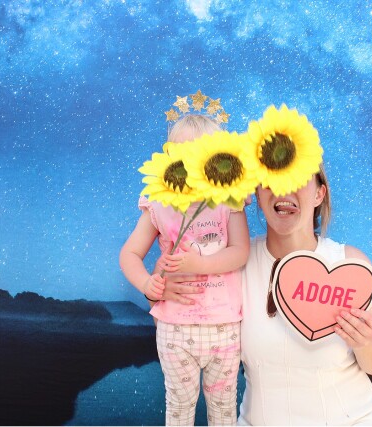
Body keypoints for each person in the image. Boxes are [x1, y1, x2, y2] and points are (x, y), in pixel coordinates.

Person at [160, 162, 372, 425]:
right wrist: (160, 291)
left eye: (297, 178)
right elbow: (178, 314)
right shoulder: (230, 263)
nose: (283, 189)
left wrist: (364, 343)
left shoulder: (350, 265)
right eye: (271, 180)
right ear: (258, 195)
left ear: (319, 194)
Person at [119, 106, 250, 426]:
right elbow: (130, 254)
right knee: (179, 405)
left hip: (224, 326)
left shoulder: (229, 200)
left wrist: (199, 263)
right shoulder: (159, 204)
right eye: (182, 157)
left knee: (223, 405)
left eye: (200, 158)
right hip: (174, 326)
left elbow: (240, 251)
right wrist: (147, 284)